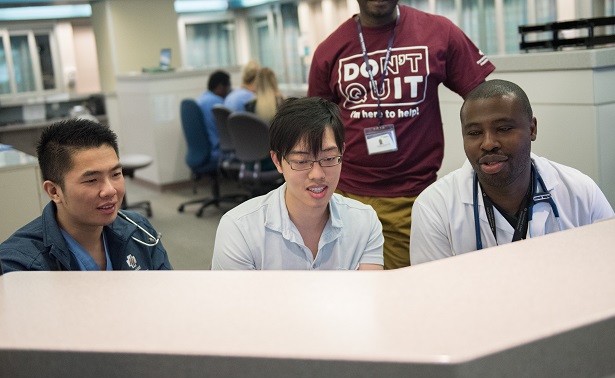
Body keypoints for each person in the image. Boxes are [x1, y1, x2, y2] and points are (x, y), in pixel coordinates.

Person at [308, 0, 495, 269]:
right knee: (350, 291)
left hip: (413, 196)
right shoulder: (330, 49)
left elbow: (485, 102)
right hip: (344, 197)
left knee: (409, 293)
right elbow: (316, 126)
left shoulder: (439, 32)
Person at [409, 79, 615, 265]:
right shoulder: (434, 207)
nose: (488, 143)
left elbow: (607, 270)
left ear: (532, 129)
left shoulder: (580, 190)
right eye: (474, 133)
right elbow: (433, 295)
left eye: (504, 129)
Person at [212, 96, 384, 270]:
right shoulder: (240, 229)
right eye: (301, 161)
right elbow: (236, 298)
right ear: (278, 161)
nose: (317, 174)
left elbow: (370, 295)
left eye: (329, 158)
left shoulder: (364, 221)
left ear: (342, 153)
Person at [0, 119, 173, 273]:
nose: (110, 190)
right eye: (91, 180)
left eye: (116, 174)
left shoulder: (138, 230)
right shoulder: (18, 265)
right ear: (54, 191)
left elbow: (168, 297)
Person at [197, 70, 232, 161]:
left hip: (206, 149)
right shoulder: (217, 102)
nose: (229, 91)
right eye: (229, 87)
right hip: (218, 150)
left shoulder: (201, 99)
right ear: (220, 87)